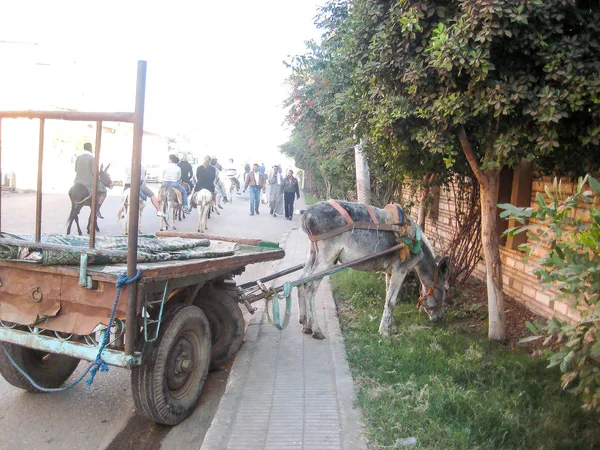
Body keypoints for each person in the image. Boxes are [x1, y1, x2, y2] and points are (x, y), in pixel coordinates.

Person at [74, 142, 107, 218]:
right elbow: (93, 172)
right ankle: (97, 209)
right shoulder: (92, 158)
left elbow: (76, 170)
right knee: (104, 191)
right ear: (90, 148)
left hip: (77, 181)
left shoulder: (78, 158)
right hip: (88, 182)